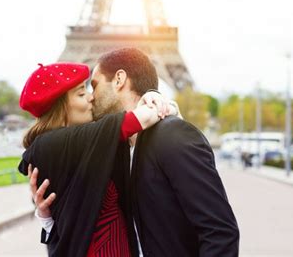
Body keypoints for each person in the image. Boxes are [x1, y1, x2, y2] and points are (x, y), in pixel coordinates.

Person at [31, 48, 240, 256]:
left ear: (119, 79)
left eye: (94, 86)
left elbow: (219, 231)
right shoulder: (112, 151)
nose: (91, 97)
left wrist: (160, 102)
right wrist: (47, 217)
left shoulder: (173, 136)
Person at [17, 62, 176, 257]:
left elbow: (64, 226)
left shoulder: (54, 148)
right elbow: (143, 117)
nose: (91, 97)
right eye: (82, 94)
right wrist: (157, 98)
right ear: (62, 105)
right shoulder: (63, 142)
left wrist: (45, 217)